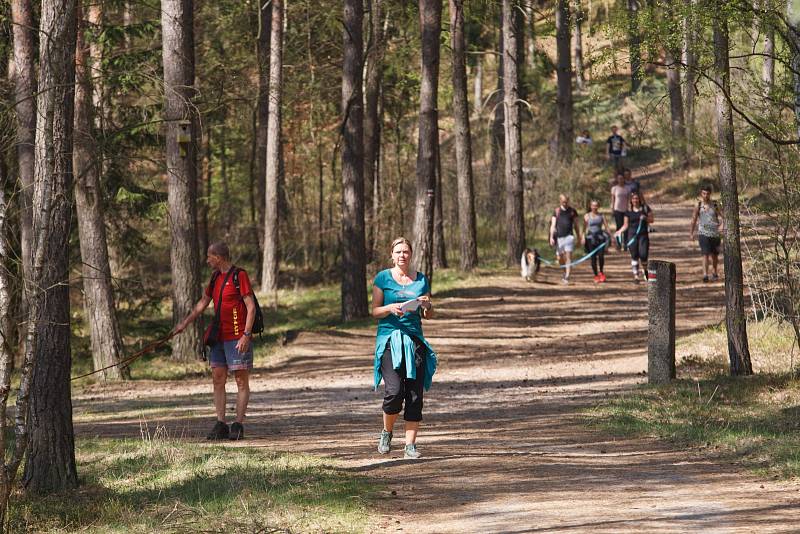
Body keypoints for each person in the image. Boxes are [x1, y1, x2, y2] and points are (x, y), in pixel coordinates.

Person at [174, 242, 256, 440]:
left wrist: (246, 334)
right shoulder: (215, 277)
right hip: (218, 337)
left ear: (218, 257)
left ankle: (238, 424)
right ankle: (221, 423)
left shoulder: (239, 276)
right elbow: (203, 302)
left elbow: (251, 307)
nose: (207, 260)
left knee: (240, 381)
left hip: (237, 337)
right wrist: (184, 323)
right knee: (218, 379)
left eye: (209, 256)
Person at [372, 237, 437, 459]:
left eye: (406, 252)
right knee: (394, 391)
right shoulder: (382, 278)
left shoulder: (420, 280)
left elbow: (428, 315)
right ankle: (387, 432)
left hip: (414, 341)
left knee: (414, 394)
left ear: (411, 255)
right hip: (390, 340)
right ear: (392, 255)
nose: (402, 255)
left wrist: (427, 306)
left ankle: (410, 446)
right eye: (398, 251)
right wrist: (390, 308)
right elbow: (374, 311)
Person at [616, 191, 654, 283]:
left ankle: (645, 271)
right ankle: (636, 276)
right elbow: (625, 225)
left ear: (640, 199)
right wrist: (618, 232)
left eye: (636, 198)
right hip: (632, 235)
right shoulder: (628, 211)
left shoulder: (645, 209)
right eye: (633, 199)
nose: (635, 200)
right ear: (631, 200)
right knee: (634, 255)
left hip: (643, 235)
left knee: (643, 255)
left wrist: (645, 218)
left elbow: (652, 220)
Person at [689, 185, 724, 282]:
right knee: (705, 254)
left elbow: (723, 217)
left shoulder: (715, 205)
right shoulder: (698, 205)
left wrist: (722, 226)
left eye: (708, 193)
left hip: (715, 233)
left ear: (710, 194)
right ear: (701, 193)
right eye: (704, 193)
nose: (706, 195)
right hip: (703, 233)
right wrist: (691, 233)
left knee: (715, 255)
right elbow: (693, 219)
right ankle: (705, 274)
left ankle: (715, 272)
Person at [549, 194, 582, 285]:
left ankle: (567, 276)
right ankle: (564, 271)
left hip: (569, 237)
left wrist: (579, 237)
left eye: (566, 201)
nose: (565, 203)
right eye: (563, 201)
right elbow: (553, 225)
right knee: (559, 258)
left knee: (568, 257)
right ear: (560, 201)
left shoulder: (572, 211)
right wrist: (551, 237)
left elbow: (576, 225)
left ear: (568, 200)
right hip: (559, 237)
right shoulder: (556, 211)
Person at [583, 200, 611, 283]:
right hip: (590, 238)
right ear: (590, 206)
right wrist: (582, 237)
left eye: (596, 206)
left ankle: (601, 272)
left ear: (598, 207)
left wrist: (611, 237)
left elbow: (606, 227)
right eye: (593, 206)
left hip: (600, 238)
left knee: (601, 256)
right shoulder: (587, 216)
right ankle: (595, 275)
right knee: (593, 258)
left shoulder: (601, 216)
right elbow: (584, 228)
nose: (594, 207)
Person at [610, 172, 630, 250]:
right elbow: (613, 199)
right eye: (619, 179)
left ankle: (625, 244)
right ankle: (618, 244)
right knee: (618, 227)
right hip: (617, 209)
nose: (620, 180)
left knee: (626, 227)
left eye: (622, 178)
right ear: (617, 180)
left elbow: (629, 199)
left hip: (625, 210)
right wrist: (612, 209)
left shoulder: (627, 188)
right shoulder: (614, 188)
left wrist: (629, 208)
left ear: (624, 179)